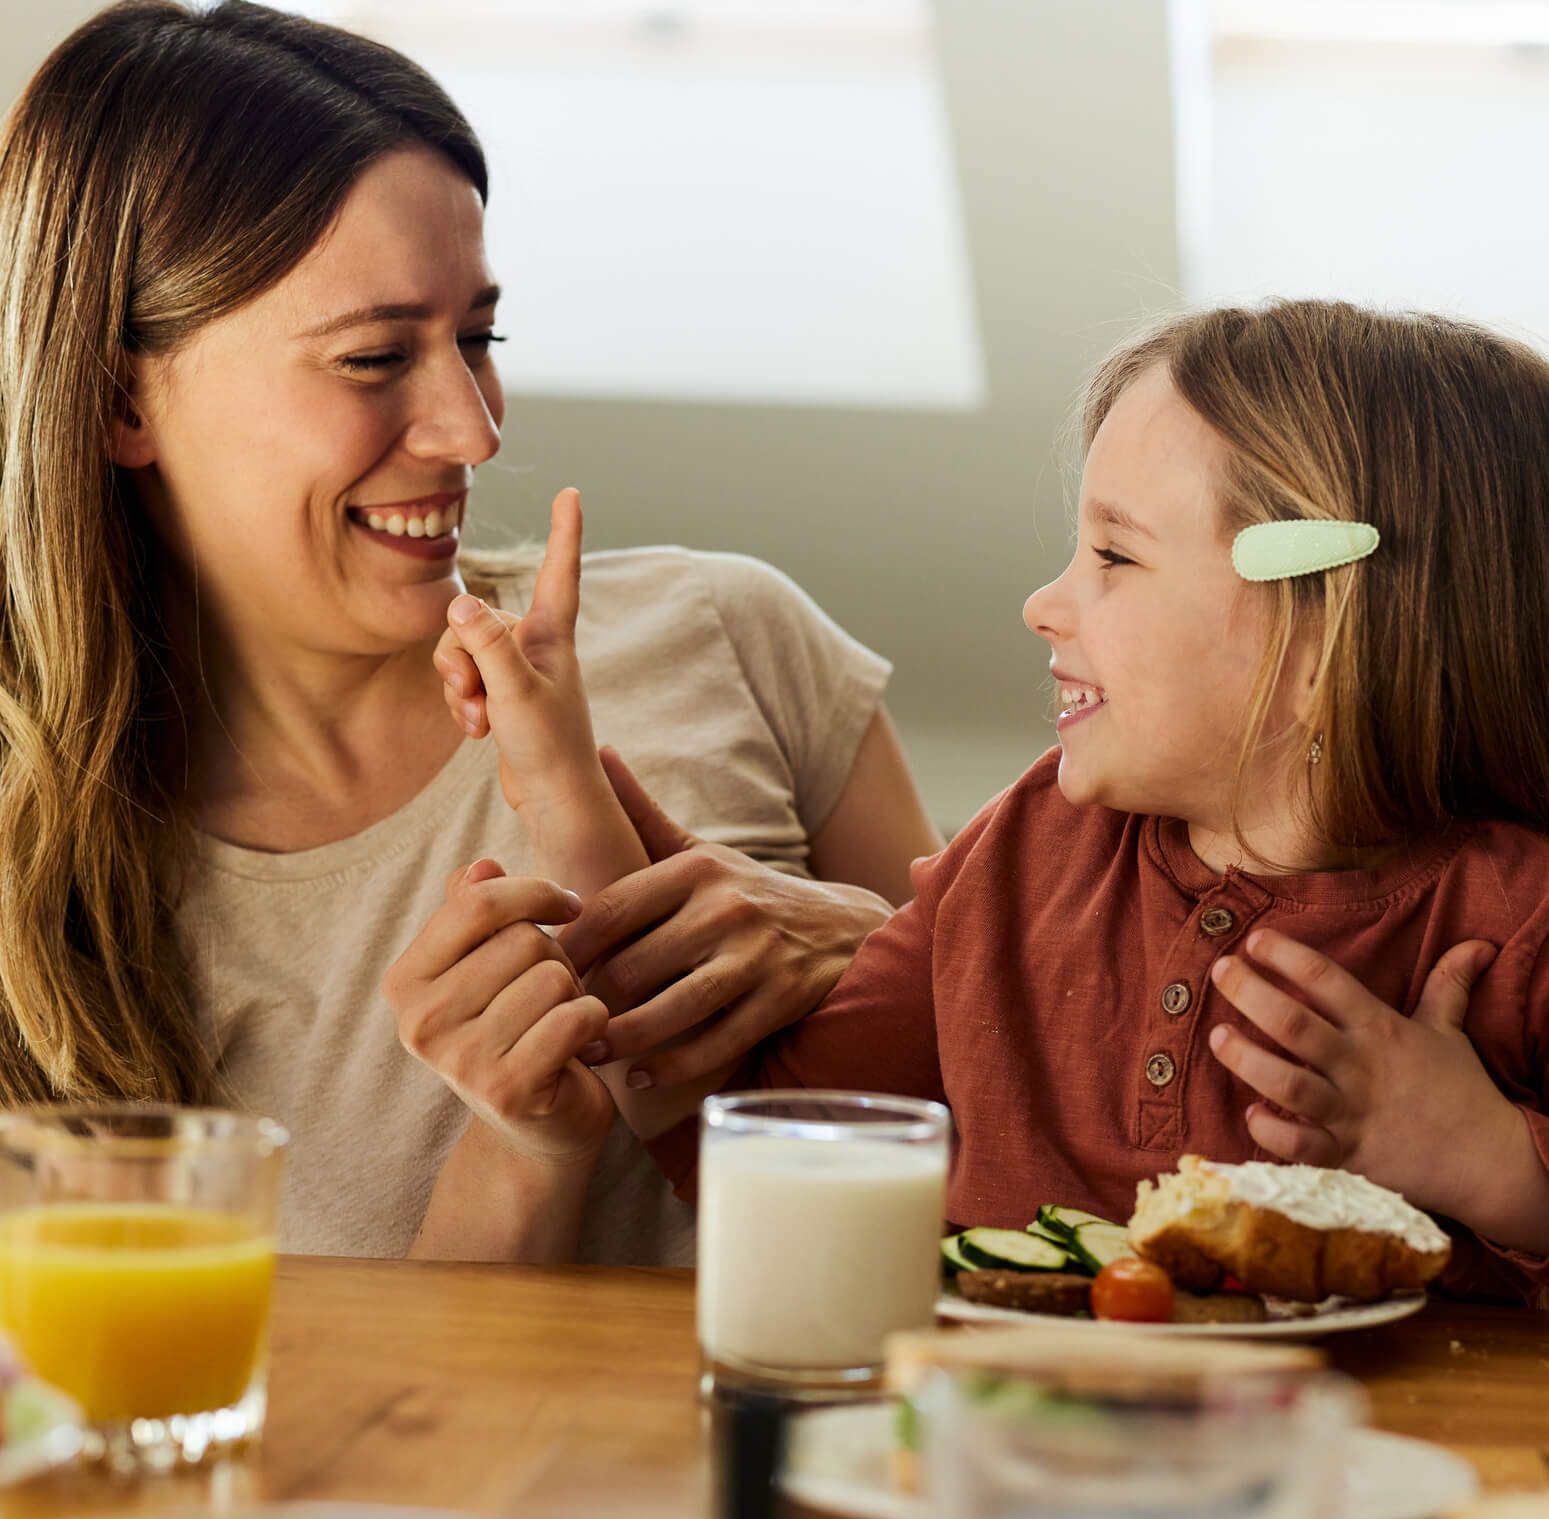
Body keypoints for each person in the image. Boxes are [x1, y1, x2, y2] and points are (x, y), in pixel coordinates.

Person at [0, 0, 939, 1266]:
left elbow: (1026, 1167)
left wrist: (868, 953)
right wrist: (522, 1155)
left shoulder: (728, 634)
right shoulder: (37, 890)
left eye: (478, 338)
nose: (472, 428)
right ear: (123, 397)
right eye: (377, 355)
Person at [459, 299, 1549, 1304]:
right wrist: (564, 783)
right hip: (1006, 1457)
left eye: (1114, 555)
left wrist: (1485, 1157)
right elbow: (765, 1128)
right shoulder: (1025, 846)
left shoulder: (1521, 919)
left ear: (1320, 631)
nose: (1044, 604)